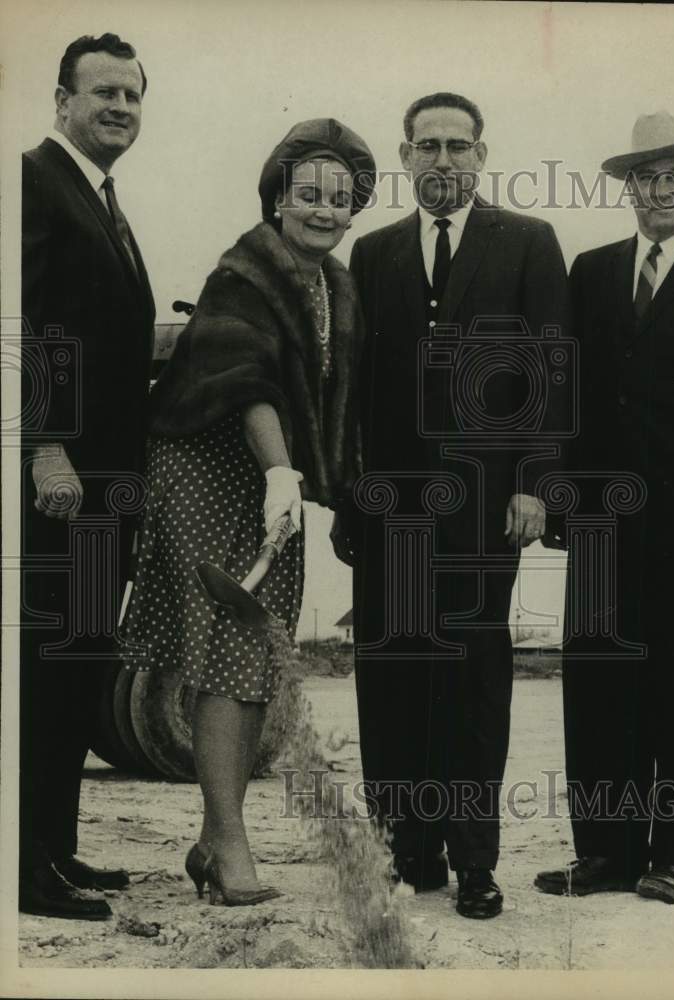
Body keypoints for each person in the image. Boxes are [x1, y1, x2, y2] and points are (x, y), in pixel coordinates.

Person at [121, 118, 375, 906]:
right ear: (277, 198)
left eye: (341, 198)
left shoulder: (337, 286)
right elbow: (246, 377)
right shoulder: (244, 271)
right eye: (308, 195)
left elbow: (335, 400)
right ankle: (230, 844)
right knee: (227, 651)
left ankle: (210, 839)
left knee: (252, 653)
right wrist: (278, 473)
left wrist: (316, 484)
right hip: (208, 463)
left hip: (276, 476)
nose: (324, 211)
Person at [334, 92, 569, 919]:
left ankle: (474, 861)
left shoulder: (529, 243)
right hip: (391, 505)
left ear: (481, 153)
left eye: (457, 146)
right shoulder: (373, 251)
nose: (442, 160)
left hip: (483, 506)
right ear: (406, 155)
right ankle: (409, 849)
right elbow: (355, 391)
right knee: (394, 670)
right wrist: (349, 500)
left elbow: (550, 370)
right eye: (427, 146)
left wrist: (535, 483)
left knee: (473, 673)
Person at [535, 111, 674, 905]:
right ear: (629, 188)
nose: (660, 190)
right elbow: (567, 391)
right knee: (596, 686)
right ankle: (605, 854)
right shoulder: (591, 270)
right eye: (646, 178)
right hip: (599, 522)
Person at [20, 33, 155, 920]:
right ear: (61, 99)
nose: (118, 107)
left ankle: (55, 850)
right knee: (46, 663)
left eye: (132, 96)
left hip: (106, 486)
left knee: (78, 661)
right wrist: (44, 442)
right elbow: (21, 317)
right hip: (60, 482)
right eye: (102, 91)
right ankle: (24, 866)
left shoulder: (102, 198)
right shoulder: (33, 180)